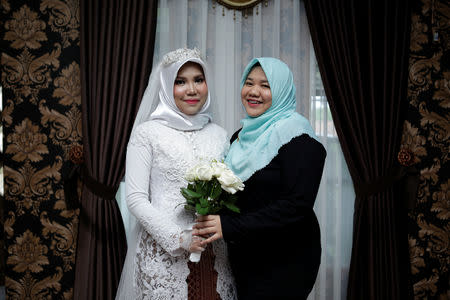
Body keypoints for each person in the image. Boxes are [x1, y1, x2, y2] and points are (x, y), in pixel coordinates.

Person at [193, 57, 326, 300]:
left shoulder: (300, 139)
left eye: (266, 86)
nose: (254, 92)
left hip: (285, 258)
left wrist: (228, 226)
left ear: (282, 91)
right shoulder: (240, 137)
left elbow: (297, 206)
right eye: (249, 83)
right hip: (246, 255)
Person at [115, 48, 237, 300]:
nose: (191, 90)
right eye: (180, 81)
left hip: (214, 254)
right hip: (164, 255)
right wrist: (180, 238)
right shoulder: (147, 134)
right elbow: (135, 199)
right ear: (165, 85)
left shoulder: (220, 134)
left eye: (198, 80)